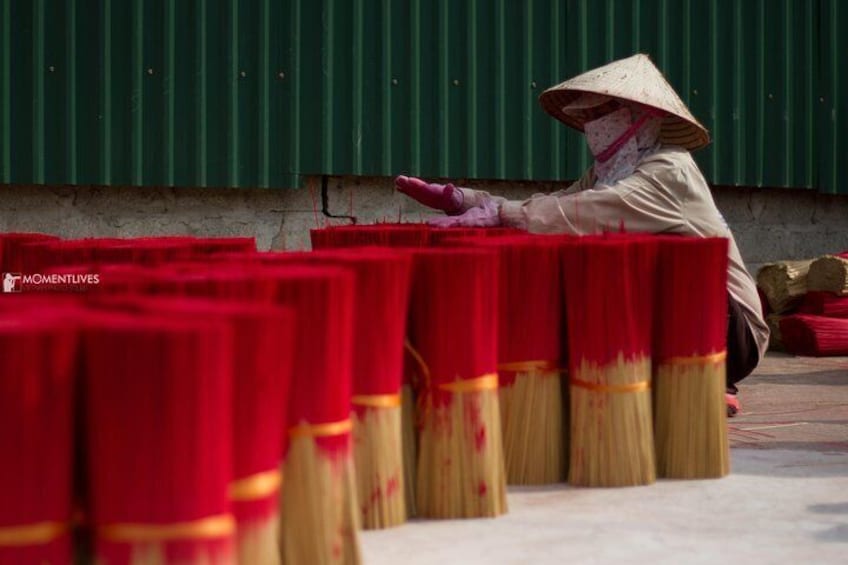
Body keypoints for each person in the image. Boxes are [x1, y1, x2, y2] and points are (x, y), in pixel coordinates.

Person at [395, 53, 768, 416]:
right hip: (673, 320)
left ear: (639, 116)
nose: (592, 124)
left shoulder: (669, 170)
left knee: (668, 264)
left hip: (731, 332)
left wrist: (501, 215)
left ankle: (713, 378)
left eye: (600, 113)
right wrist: (467, 200)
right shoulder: (608, 171)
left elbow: (589, 211)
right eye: (587, 116)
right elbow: (559, 203)